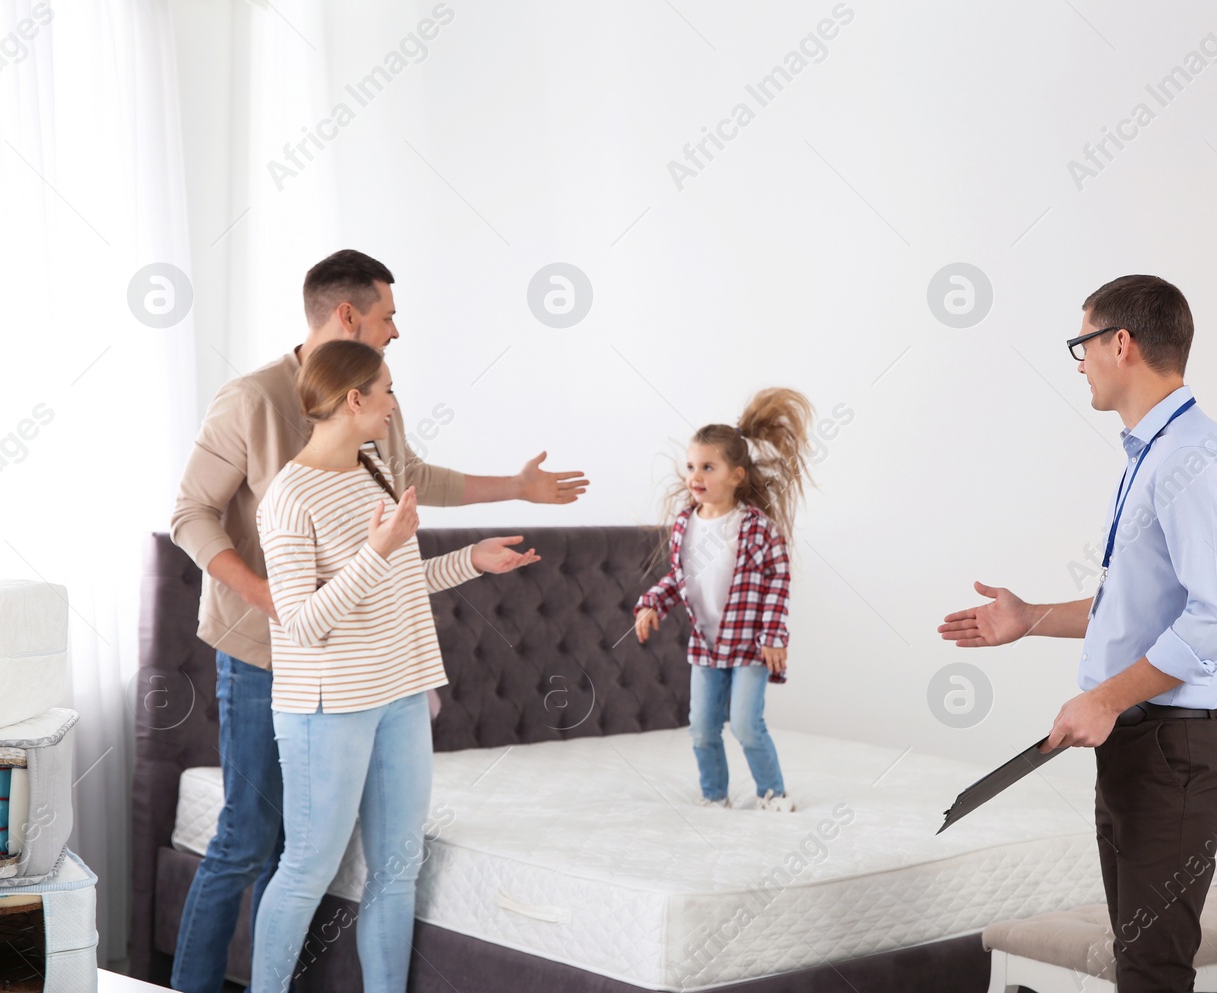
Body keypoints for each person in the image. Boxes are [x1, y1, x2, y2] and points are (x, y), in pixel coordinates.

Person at [167, 249, 587, 993]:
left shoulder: (371, 445)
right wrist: (266, 592)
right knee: (250, 838)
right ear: (349, 317)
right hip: (275, 653)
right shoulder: (253, 404)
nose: (398, 331)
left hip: (381, 670)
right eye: (389, 316)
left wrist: (510, 500)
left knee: (376, 860)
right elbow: (192, 516)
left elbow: (412, 499)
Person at [938, 275, 1217, 992]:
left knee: (1149, 971)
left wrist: (1106, 697)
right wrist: (1030, 619)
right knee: (1137, 963)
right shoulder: (1154, 453)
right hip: (1144, 745)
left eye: (1083, 344)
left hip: (1175, 748)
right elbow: (1137, 608)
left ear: (1122, 343)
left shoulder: (1187, 458)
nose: (1079, 362)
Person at [250, 340, 538, 992]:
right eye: (385, 390)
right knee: (307, 867)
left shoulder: (377, 467)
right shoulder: (288, 498)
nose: (393, 403)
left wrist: (471, 559)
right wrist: (377, 549)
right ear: (354, 399)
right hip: (328, 708)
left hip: (402, 691)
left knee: (397, 866)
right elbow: (302, 622)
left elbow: (397, 581)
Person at [634, 388, 813, 812]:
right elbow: (679, 580)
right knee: (701, 729)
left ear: (736, 475)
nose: (695, 475)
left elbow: (777, 582)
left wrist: (774, 635)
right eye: (692, 466)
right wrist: (650, 604)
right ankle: (714, 795)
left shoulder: (757, 528)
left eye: (708, 467)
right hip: (707, 647)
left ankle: (772, 793)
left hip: (750, 645)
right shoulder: (684, 525)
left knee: (747, 725)